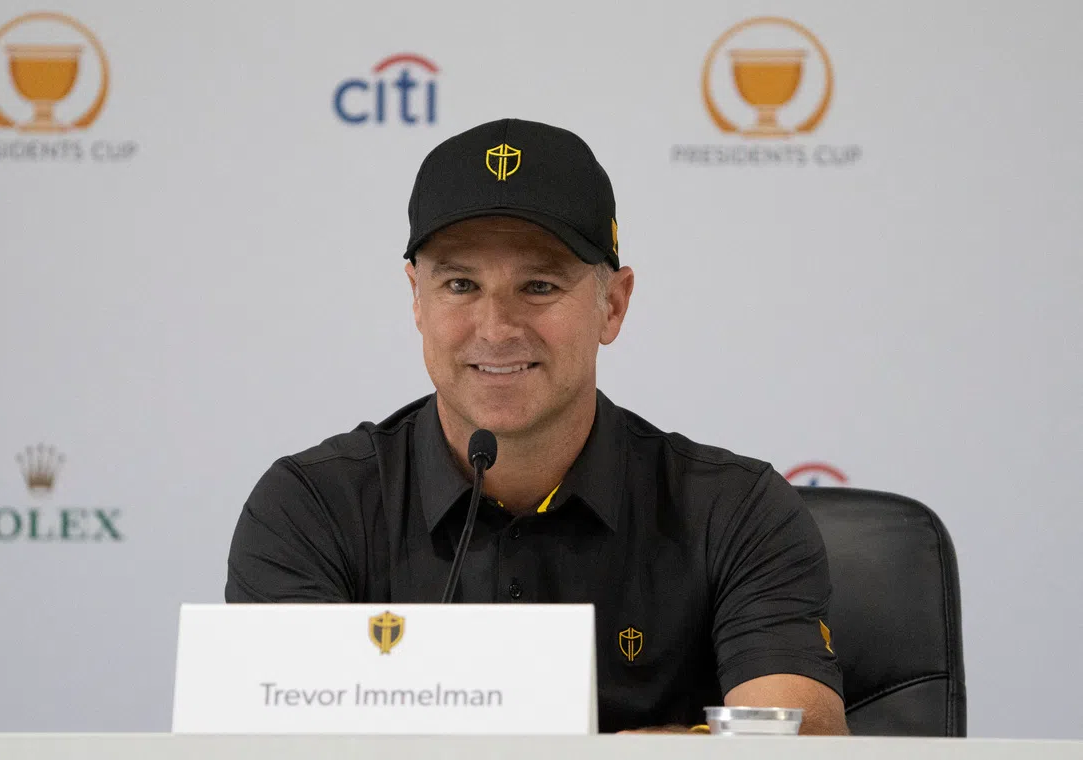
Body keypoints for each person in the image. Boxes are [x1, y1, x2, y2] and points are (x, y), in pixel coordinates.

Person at [226, 118, 848, 735]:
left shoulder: (734, 509)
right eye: (461, 284)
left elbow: (801, 738)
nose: (496, 328)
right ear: (416, 298)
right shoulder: (311, 508)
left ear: (613, 305)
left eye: (539, 286)